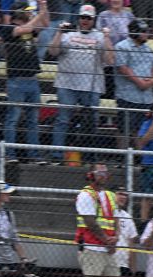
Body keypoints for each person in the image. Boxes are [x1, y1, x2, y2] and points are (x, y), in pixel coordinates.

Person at [49, 5, 113, 162]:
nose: (85, 21)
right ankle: (57, 155)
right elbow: (52, 52)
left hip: (91, 86)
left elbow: (110, 60)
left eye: (89, 18)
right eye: (83, 17)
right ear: (78, 18)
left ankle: (89, 157)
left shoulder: (99, 36)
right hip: (67, 84)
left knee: (91, 121)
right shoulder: (68, 34)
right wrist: (59, 32)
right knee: (63, 120)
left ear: (94, 20)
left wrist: (106, 38)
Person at [0, 1, 49, 163]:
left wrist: (43, 8)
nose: (29, 14)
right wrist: (38, 15)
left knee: (33, 120)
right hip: (16, 81)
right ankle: (9, 154)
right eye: (26, 12)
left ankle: (33, 154)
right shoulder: (7, 28)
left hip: (32, 80)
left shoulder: (30, 26)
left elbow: (44, 25)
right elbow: (24, 30)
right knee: (12, 119)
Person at [74, 164, 121, 277]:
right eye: (99, 172)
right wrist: (107, 239)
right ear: (91, 174)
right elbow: (90, 222)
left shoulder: (109, 195)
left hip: (107, 247)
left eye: (105, 173)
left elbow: (116, 219)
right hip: (92, 246)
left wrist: (116, 238)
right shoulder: (86, 195)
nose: (103, 175)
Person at [114, 19, 153, 150]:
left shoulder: (147, 49)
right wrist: (139, 82)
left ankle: (139, 156)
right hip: (127, 96)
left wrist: (151, 80)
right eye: (143, 31)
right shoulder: (122, 46)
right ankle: (123, 157)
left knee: (141, 129)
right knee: (124, 128)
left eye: (147, 31)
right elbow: (123, 68)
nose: (147, 34)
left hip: (146, 98)